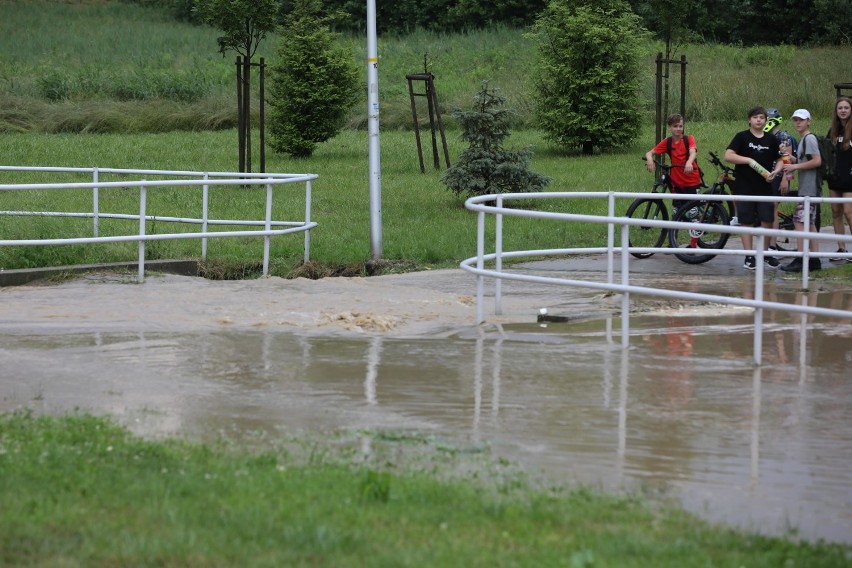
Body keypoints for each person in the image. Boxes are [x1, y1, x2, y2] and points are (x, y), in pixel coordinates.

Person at [724, 106, 784, 270]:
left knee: (767, 221)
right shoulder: (742, 137)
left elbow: (779, 159)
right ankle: (749, 256)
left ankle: (765, 254)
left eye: (762, 118)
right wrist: (749, 161)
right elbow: (728, 155)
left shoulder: (771, 139)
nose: (759, 120)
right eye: (756, 117)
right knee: (747, 222)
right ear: (749, 120)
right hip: (744, 187)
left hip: (765, 188)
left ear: (766, 121)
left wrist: (777, 171)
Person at [780, 109, 822, 273]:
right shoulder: (804, 139)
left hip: (809, 189)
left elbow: (817, 161)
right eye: (795, 120)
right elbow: (807, 161)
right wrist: (793, 159)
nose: (798, 123)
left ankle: (801, 259)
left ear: (808, 121)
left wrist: (795, 166)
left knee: (799, 222)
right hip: (809, 188)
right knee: (809, 224)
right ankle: (814, 259)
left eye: (801, 120)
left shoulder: (809, 139)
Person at [645, 113, 703, 213]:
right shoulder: (667, 142)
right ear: (669, 128)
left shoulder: (688, 139)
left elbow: (693, 152)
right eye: (675, 126)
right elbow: (650, 153)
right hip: (676, 182)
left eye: (680, 126)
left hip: (691, 180)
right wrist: (650, 159)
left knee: (693, 213)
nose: (678, 129)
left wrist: (689, 162)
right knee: (676, 211)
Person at [763, 108, 797, 251]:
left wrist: (785, 179)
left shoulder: (783, 136)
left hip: (779, 176)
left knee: (773, 208)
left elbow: (788, 161)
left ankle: (772, 245)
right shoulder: (765, 136)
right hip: (768, 175)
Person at [827, 96, 852, 262]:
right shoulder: (833, 131)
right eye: (840, 108)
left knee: (849, 213)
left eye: (846, 108)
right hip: (835, 178)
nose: (843, 110)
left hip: (850, 179)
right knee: (836, 212)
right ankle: (841, 248)